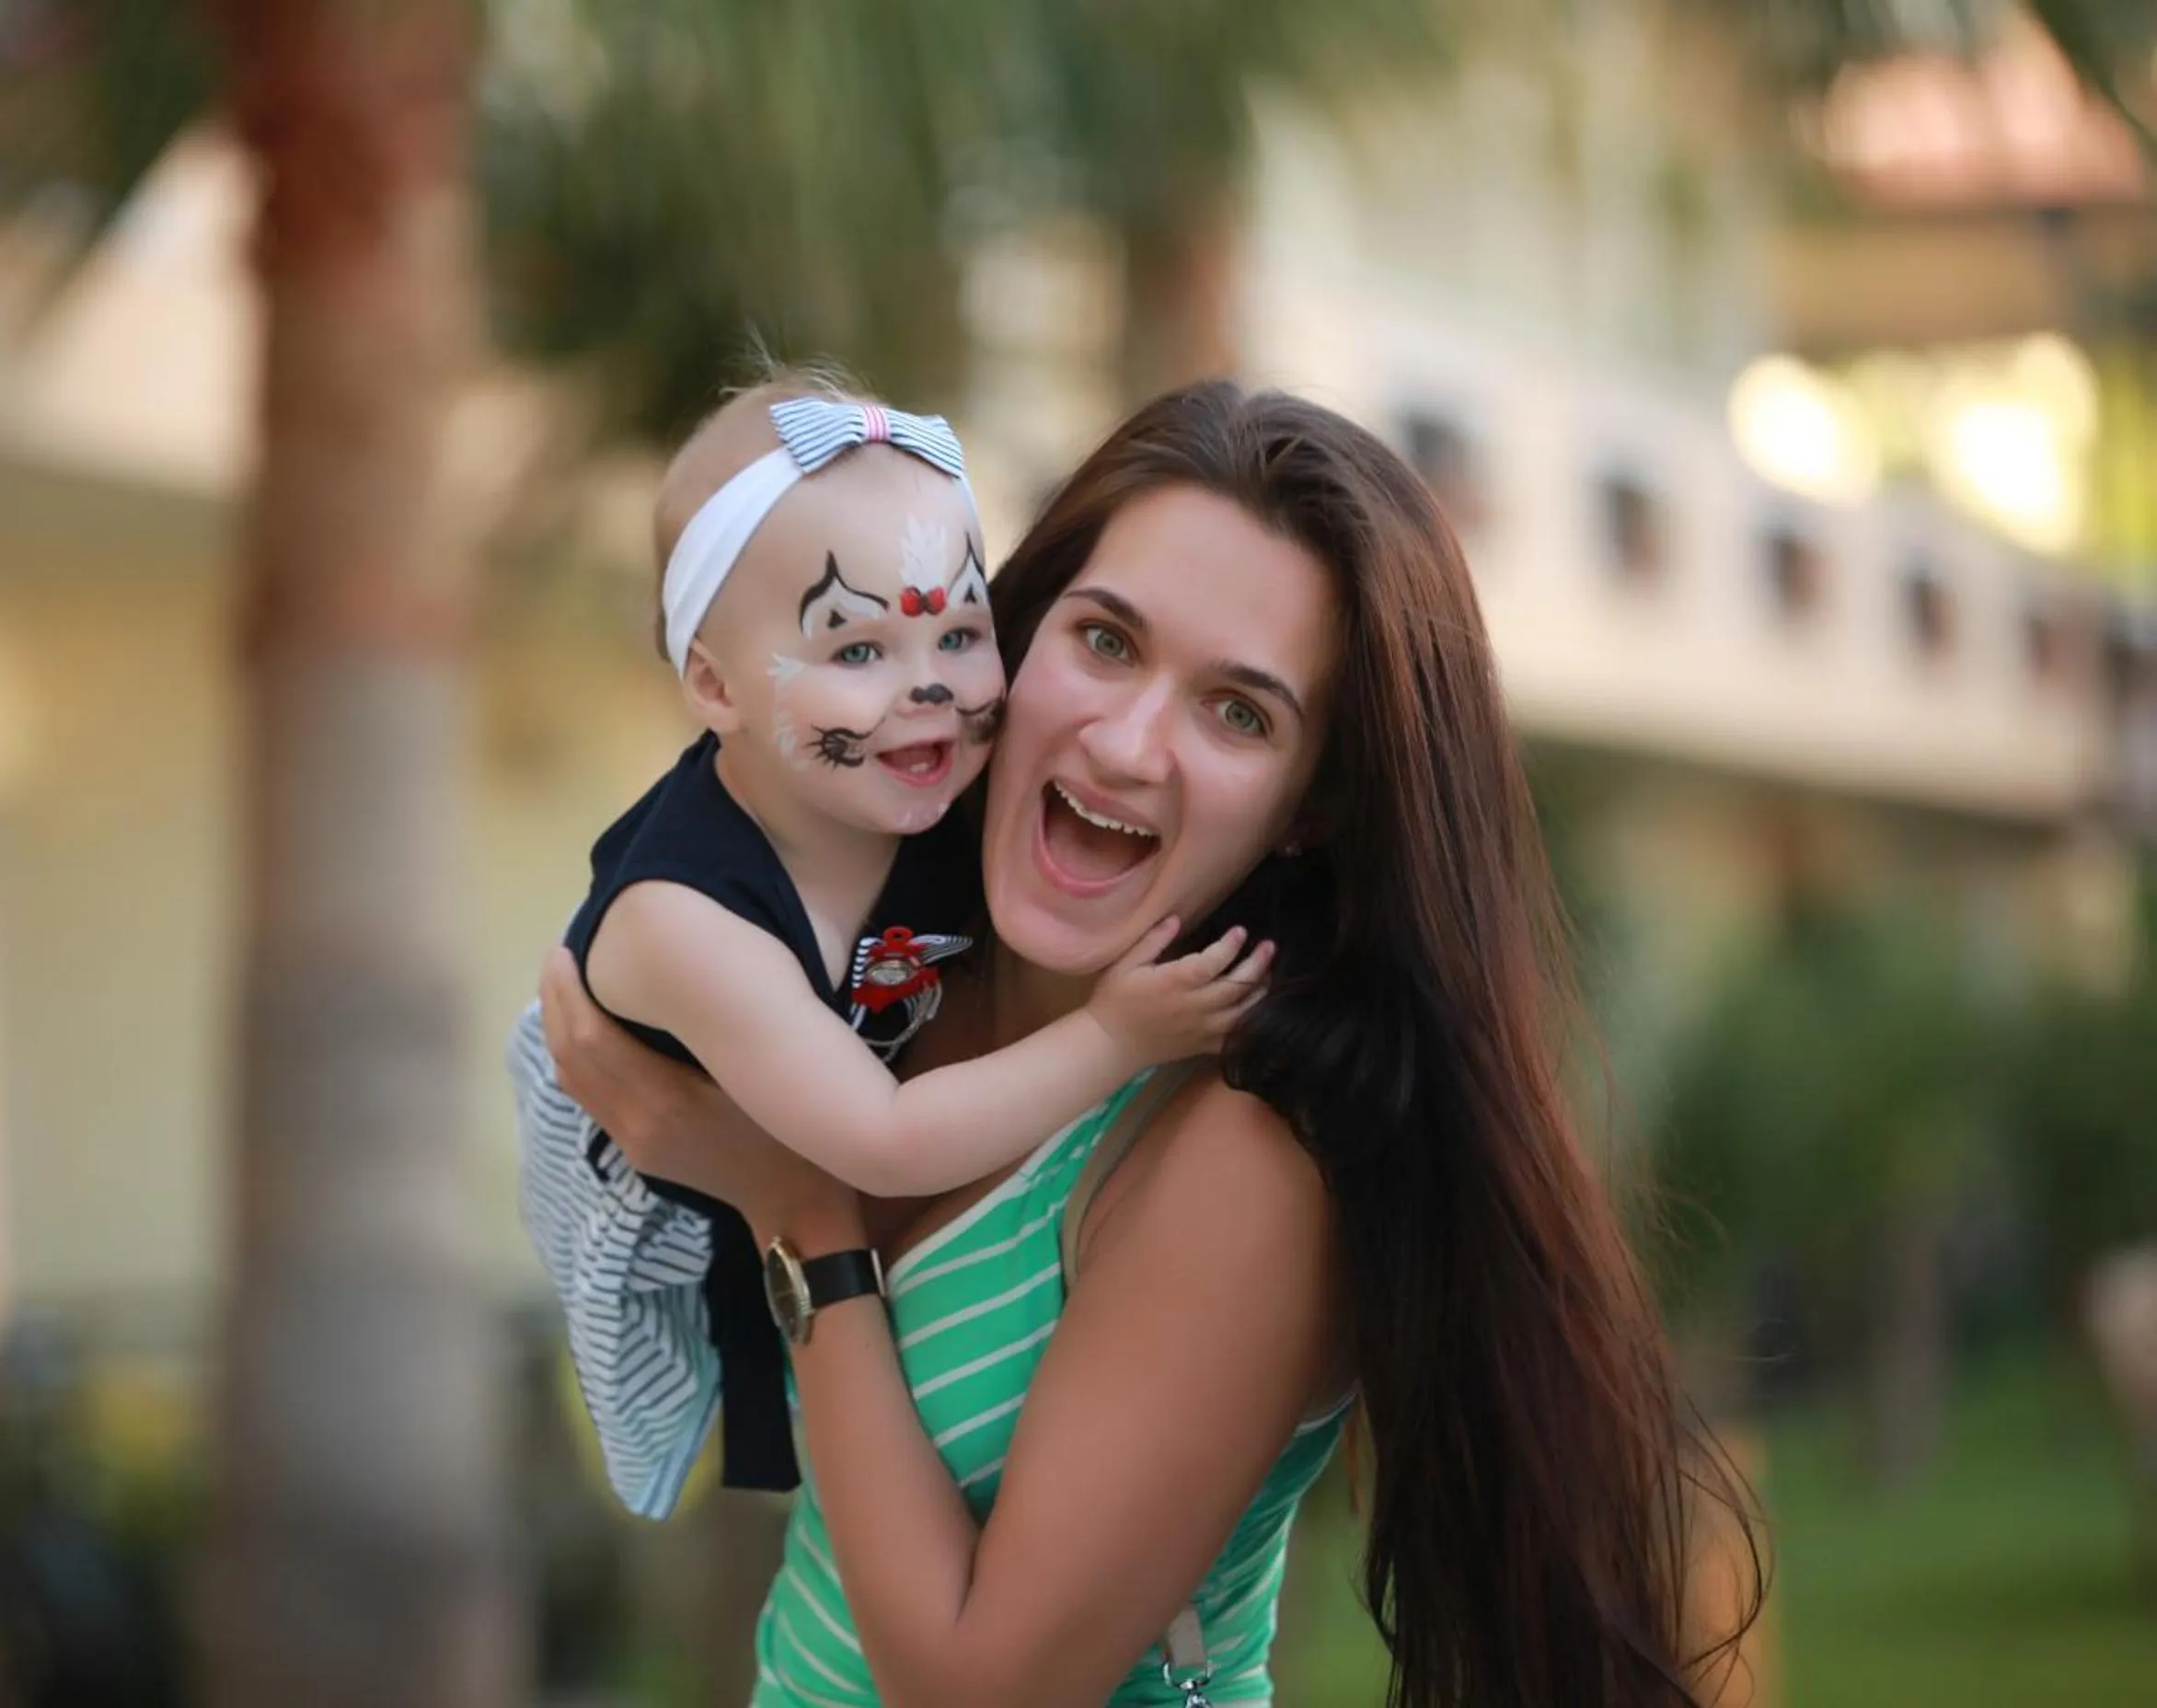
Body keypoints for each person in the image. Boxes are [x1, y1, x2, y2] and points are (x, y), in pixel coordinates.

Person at [540, 380, 1763, 1705]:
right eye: (1107, 640)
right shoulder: (898, 970)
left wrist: (802, 1218)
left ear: (1311, 807)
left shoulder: (1244, 1160)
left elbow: (976, 1691)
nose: (1127, 745)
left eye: (1240, 713)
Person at [510, 377, 1270, 1523]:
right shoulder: (683, 921)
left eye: (959, 632)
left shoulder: (929, 780)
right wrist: (1116, 1034)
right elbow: (886, 1137)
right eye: (857, 646)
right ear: (714, 684)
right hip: (662, 1197)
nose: (927, 688)